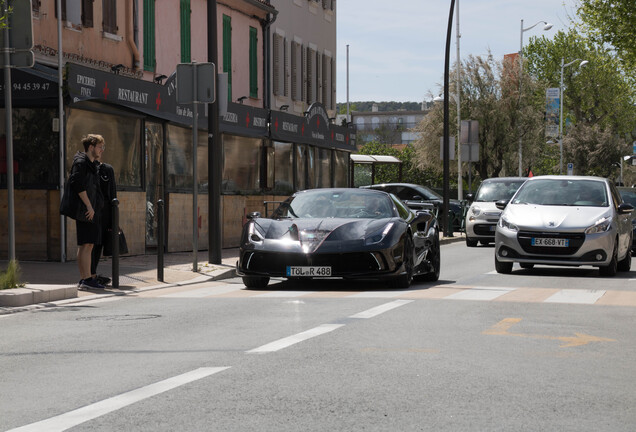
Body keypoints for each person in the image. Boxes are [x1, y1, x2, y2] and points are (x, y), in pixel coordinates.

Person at [69, 134, 105, 289]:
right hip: (85, 210)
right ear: (91, 147)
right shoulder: (81, 162)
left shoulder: (91, 163)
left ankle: (86, 279)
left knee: (88, 245)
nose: (101, 150)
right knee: (86, 244)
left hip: (91, 209)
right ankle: (86, 279)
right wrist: (89, 206)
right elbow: (76, 183)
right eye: (99, 147)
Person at [90, 154, 117, 286]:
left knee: (99, 243)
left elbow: (113, 194)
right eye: (99, 147)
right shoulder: (86, 168)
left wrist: (114, 220)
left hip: (104, 212)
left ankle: (92, 274)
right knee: (90, 243)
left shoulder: (107, 169)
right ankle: (90, 276)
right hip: (91, 211)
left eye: (102, 148)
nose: (101, 151)